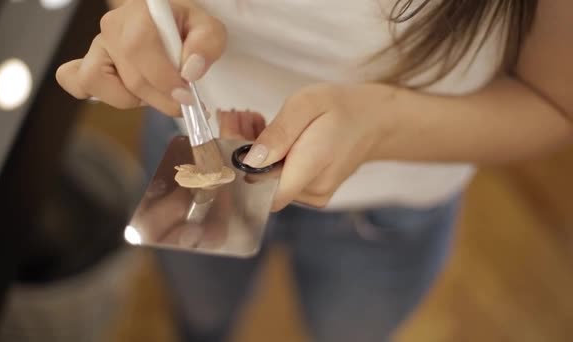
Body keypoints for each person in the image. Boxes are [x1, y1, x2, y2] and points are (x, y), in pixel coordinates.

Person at [56, 1, 573, 341]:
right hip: (196, 152)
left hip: (389, 208)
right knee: (201, 321)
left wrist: (383, 126)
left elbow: (556, 102)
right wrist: (136, 20)